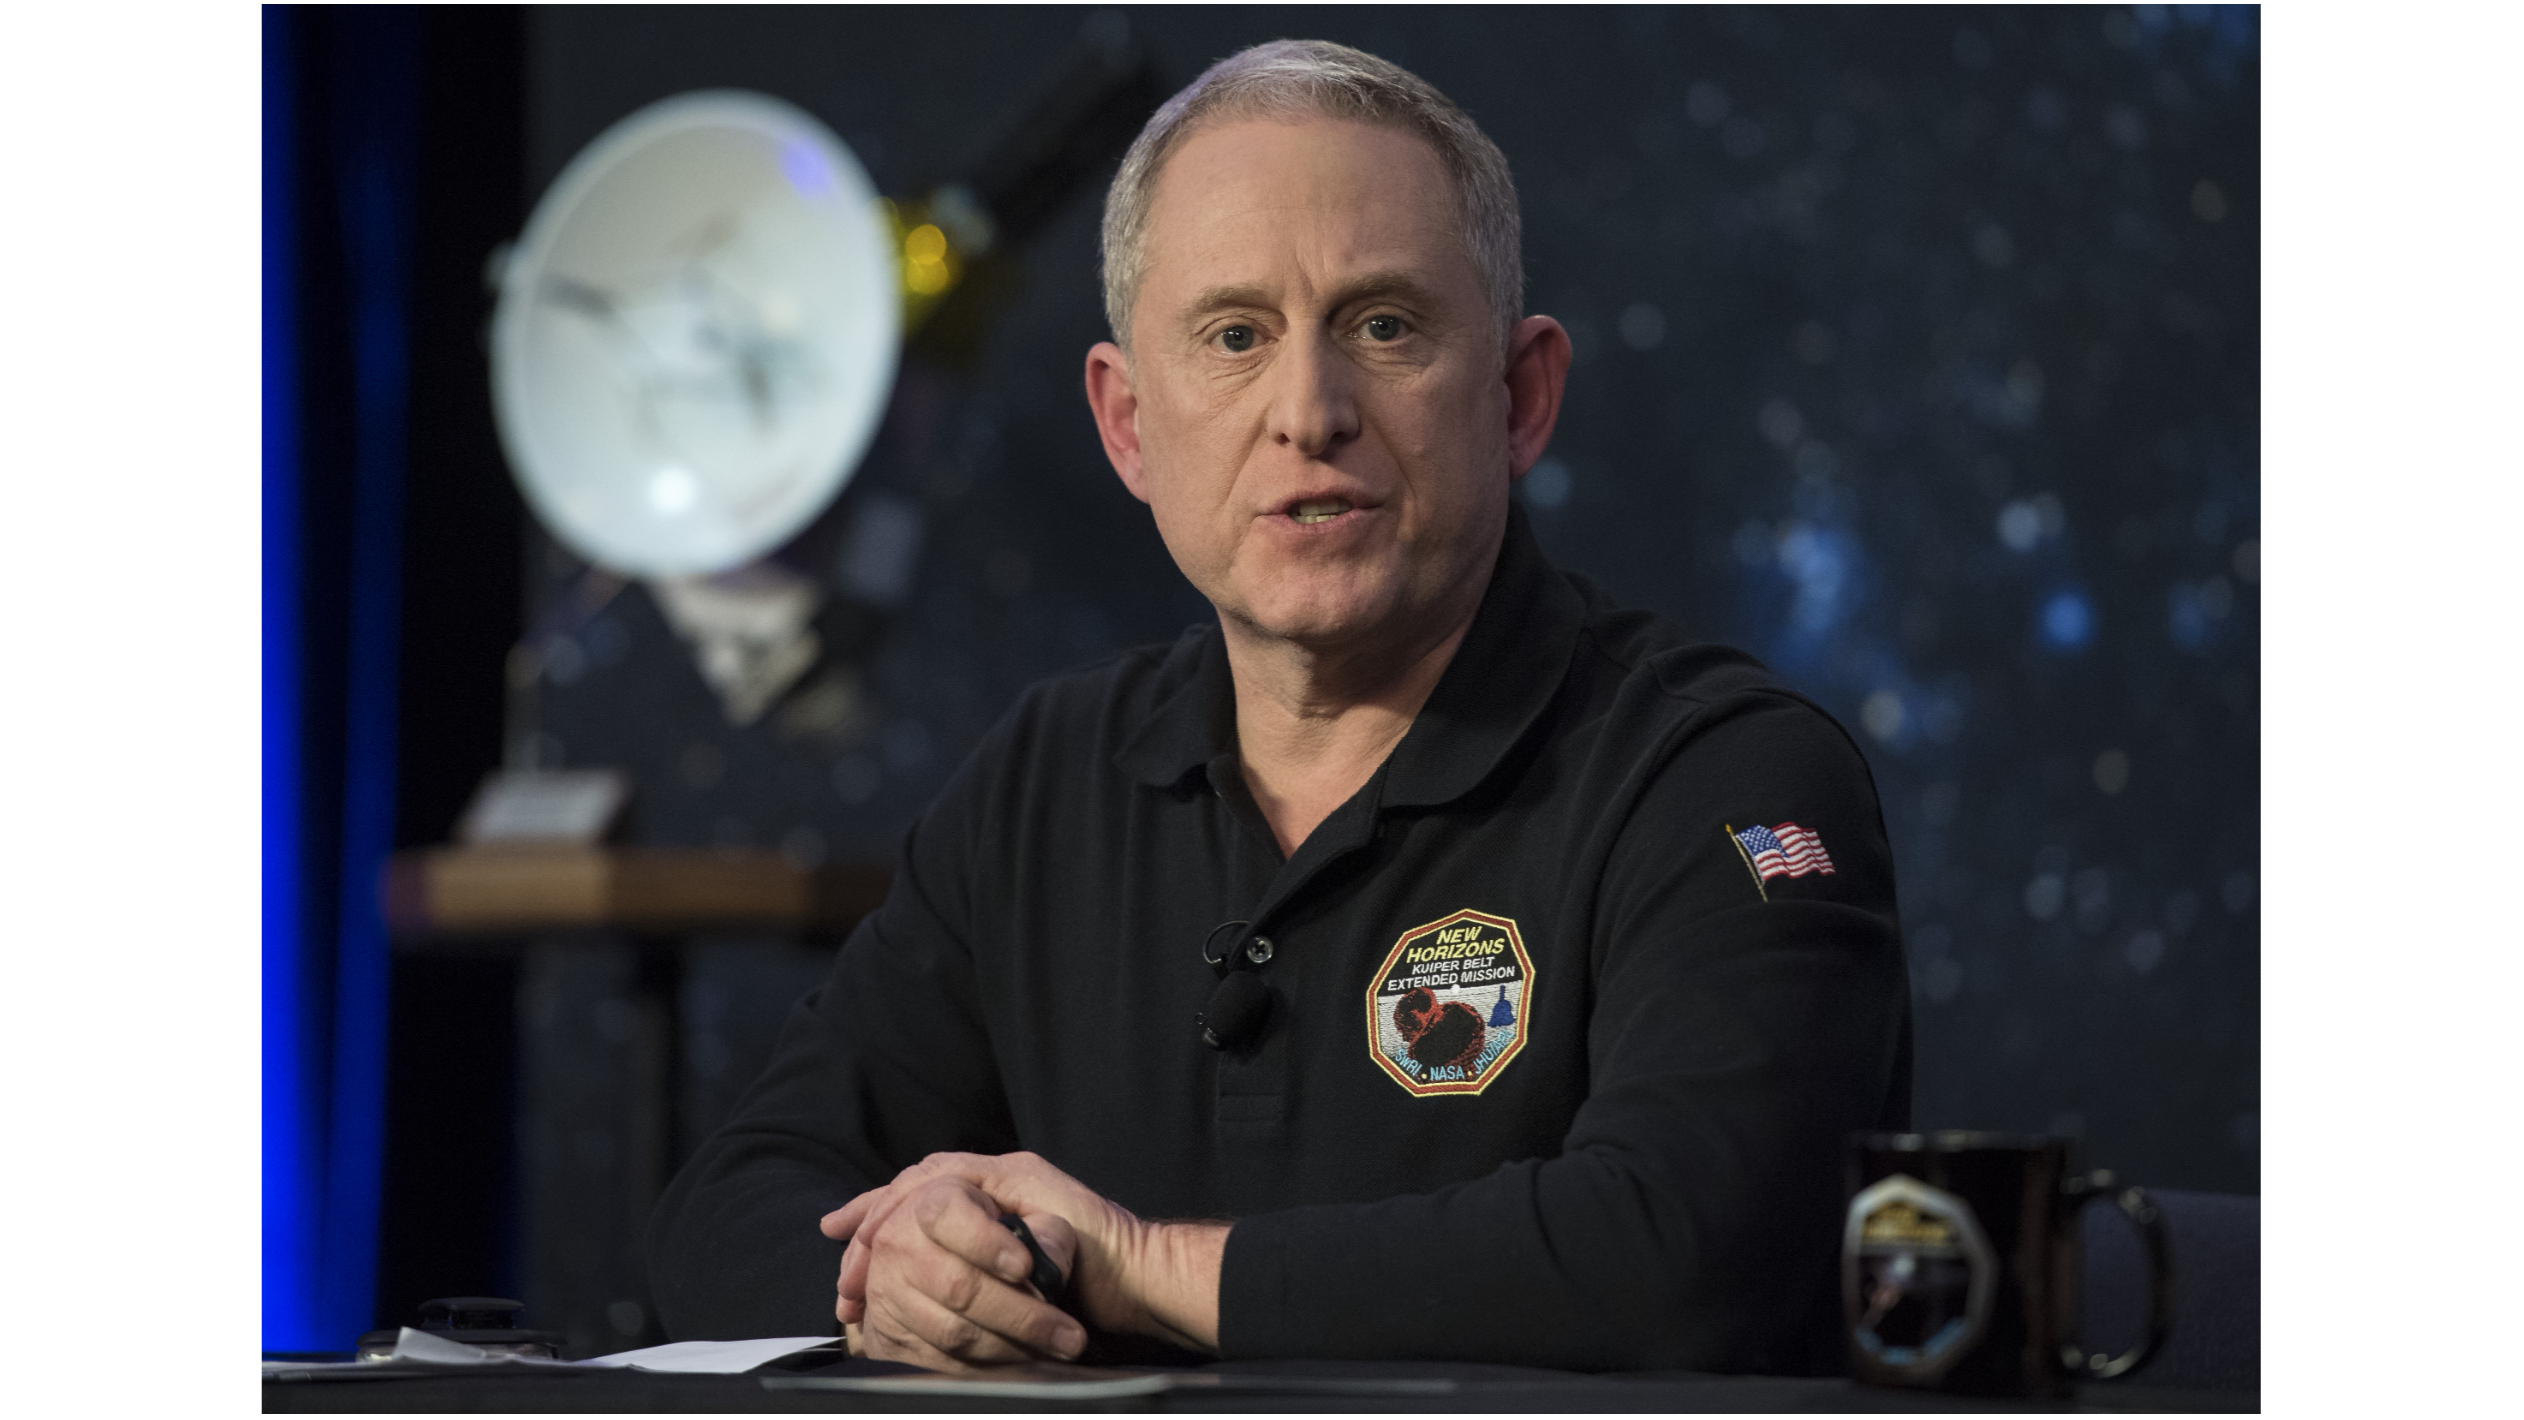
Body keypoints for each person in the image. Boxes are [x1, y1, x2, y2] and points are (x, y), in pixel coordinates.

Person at [647, 38, 1910, 1375]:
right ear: (1128, 425)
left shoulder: (1721, 777)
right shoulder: (1043, 784)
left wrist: (1136, 1266)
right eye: (1235, 336)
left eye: (1385, 326)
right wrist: (903, 1271)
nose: (1309, 411)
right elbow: (723, 1216)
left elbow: (1690, 1256)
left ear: (1521, 397)